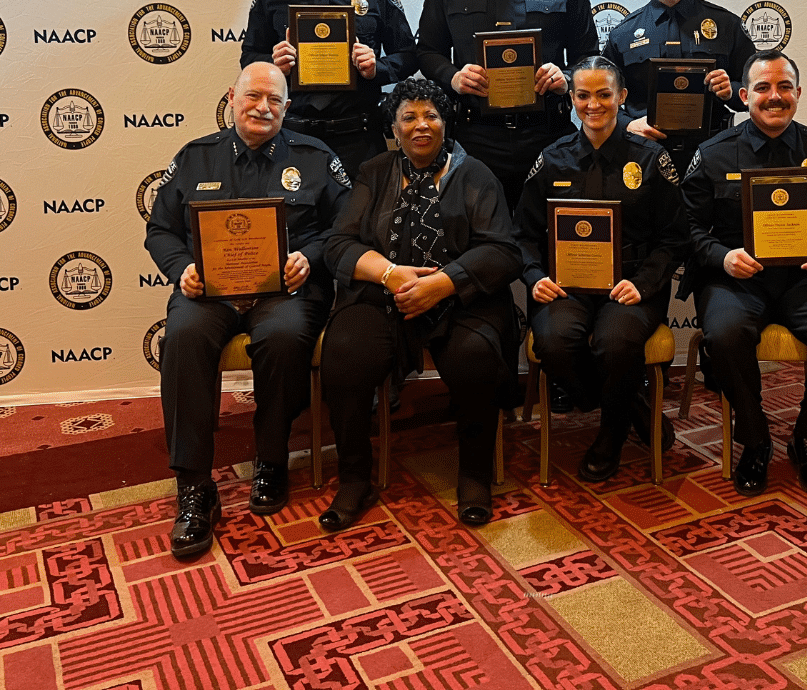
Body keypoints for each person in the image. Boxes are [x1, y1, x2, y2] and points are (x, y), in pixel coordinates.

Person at [146, 62, 351, 558]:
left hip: (286, 291)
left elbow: (346, 227)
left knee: (283, 337)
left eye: (275, 100)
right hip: (210, 293)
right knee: (185, 339)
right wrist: (181, 270)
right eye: (254, 97)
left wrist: (313, 256)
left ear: (287, 106)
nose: (263, 108)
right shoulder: (195, 158)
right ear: (232, 97)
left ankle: (271, 458)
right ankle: (195, 487)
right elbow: (161, 231)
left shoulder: (316, 157)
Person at [317, 77, 522, 531]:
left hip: (461, 300)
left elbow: (503, 252)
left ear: (446, 123)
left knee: (475, 358)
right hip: (383, 297)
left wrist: (446, 282)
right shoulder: (373, 172)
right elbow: (338, 246)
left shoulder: (475, 174)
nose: (421, 125)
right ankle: (354, 479)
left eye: (431, 115)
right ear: (394, 127)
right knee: (345, 355)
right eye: (408, 117)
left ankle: (474, 474)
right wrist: (392, 275)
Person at [681, 49, 807, 497]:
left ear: (799, 94)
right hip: (735, 279)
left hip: (805, 278)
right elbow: (685, 227)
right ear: (745, 95)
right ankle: (755, 438)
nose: (775, 96)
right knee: (725, 336)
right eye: (764, 87)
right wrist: (722, 256)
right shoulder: (713, 154)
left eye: (785, 87)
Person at [514, 57, 689, 482]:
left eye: (604, 94)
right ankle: (631, 405)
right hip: (566, 284)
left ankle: (610, 435)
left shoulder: (651, 159)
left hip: (631, 283)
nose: (594, 105)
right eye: (583, 95)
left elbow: (675, 238)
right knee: (553, 342)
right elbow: (522, 235)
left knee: (614, 343)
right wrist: (535, 277)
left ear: (622, 97)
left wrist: (644, 283)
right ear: (571, 99)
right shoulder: (553, 159)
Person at [416, 0, 599, 212]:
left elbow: (589, 56)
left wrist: (568, 78)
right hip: (476, 136)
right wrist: (453, 77)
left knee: (546, 234)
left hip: (547, 135)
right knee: (480, 239)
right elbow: (426, 50)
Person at [242, 0, 417, 178]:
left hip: (360, 139)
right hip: (293, 138)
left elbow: (409, 56)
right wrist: (273, 66)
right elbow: (249, 58)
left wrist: (377, 68)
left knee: (362, 224)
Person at [602, 0, 757, 177]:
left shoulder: (726, 25)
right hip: (643, 159)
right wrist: (628, 125)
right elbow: (601, 98)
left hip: (712, 161)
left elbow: (757, 92)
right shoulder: (623, 34)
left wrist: (731, 91)